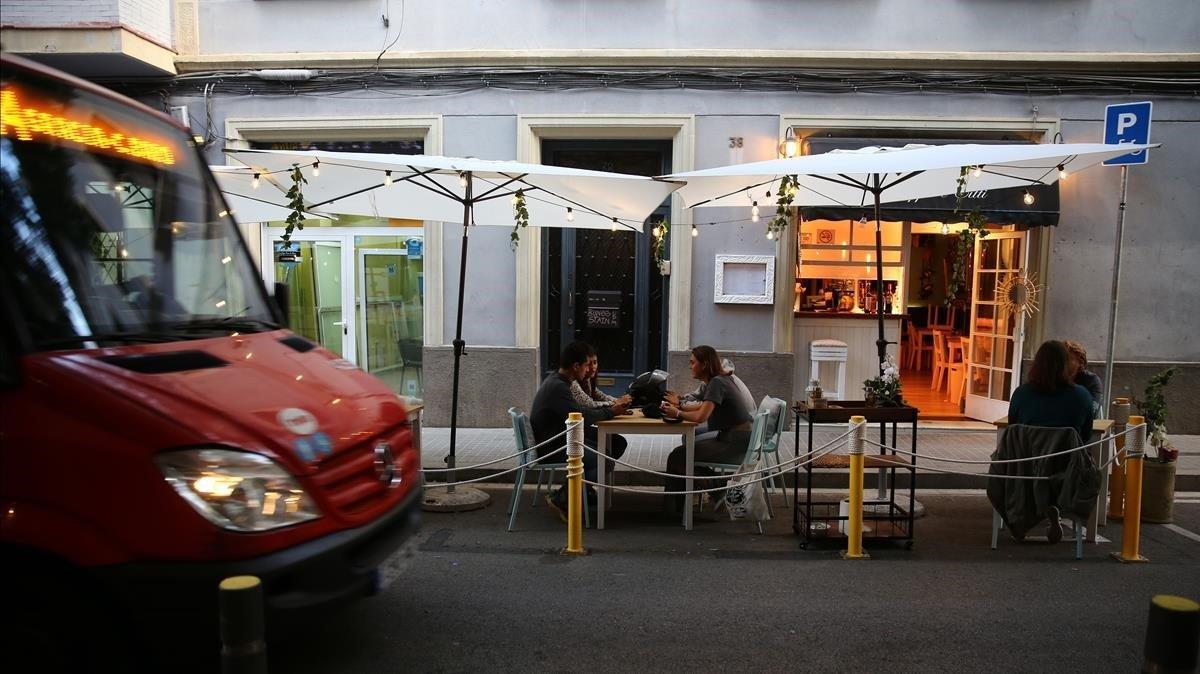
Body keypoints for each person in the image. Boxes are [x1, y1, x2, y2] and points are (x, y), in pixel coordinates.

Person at [530, 341, 630, 520]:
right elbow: (580, 415)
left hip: (563, 437)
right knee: (605, 461)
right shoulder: (559, 386)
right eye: (586, 365)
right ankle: (563, 497)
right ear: (576, 366)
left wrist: (609, 411)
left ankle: (579, 490)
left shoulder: (559, 381)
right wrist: (610, 412)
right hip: (553, 446)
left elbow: (579, 411)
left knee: (616, 442)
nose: (589, 370)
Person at [659, 345, 754, 512]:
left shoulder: (717, 383)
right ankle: (710, 487)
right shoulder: (719, 379)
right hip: (735, 436)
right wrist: (677, 407)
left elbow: (700, 417)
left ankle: (707, 489)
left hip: (733, 441)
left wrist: (677, 412)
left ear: (704, 365)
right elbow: (702, 407)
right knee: (682, 453)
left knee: (677, 457)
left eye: (692, 362)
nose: (690, 366)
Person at [1008, 340, 1095, 454]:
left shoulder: (1020, 394)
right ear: (1065, 364)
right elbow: (1085, 435)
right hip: (1067, 467)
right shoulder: (1081, 396)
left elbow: (1013, 429)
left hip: (1026, 465)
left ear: (1036, 363)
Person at [1064, 340, 1103, 416]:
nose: (1064, 362)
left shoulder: (1091, 381)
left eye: (1068, 359)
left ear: (1080, 362)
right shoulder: (1053, 378)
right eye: (1062, 358)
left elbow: (1092, 412)